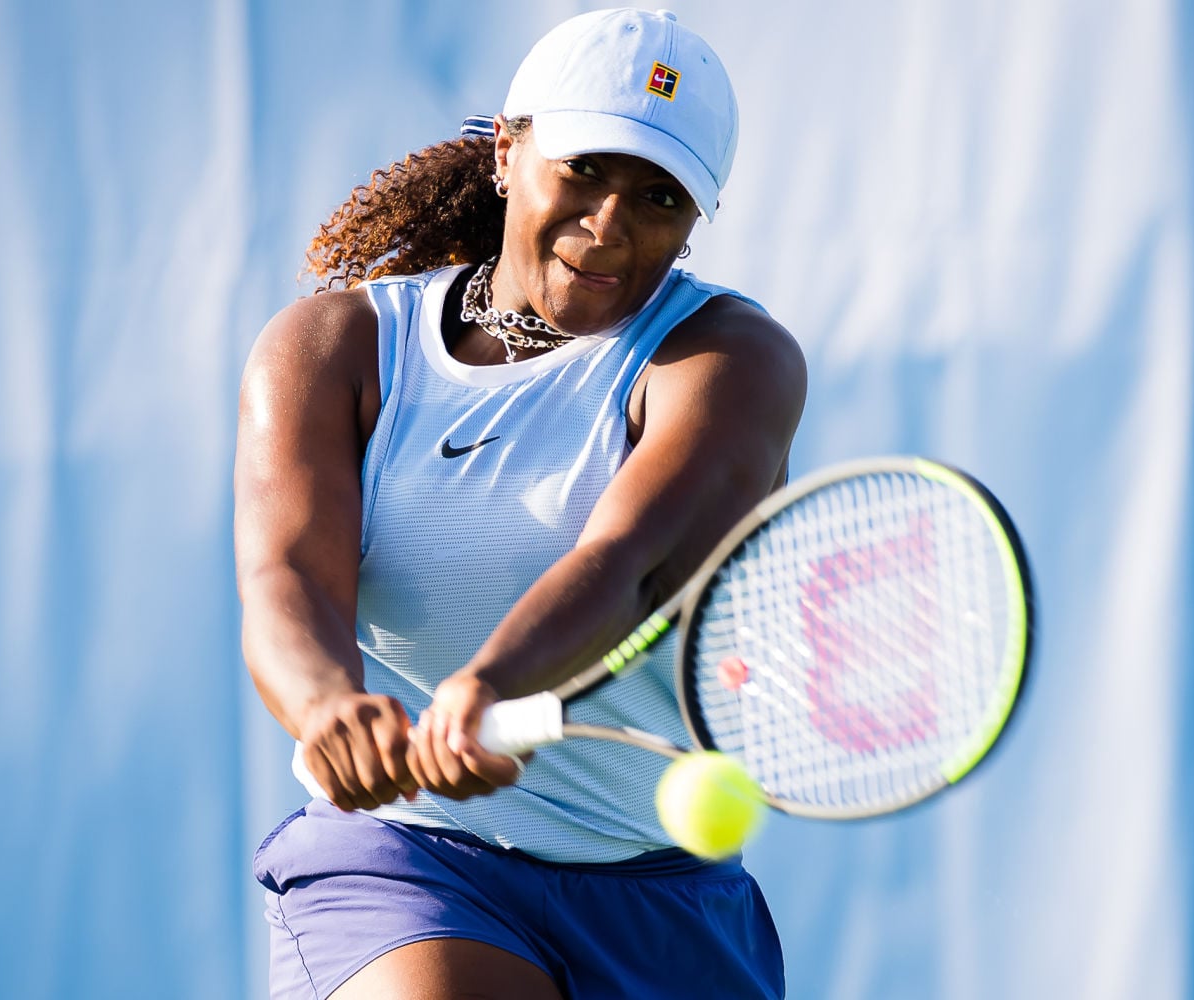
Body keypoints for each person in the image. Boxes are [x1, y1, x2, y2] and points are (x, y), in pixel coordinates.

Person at [234, 9, 805, 998]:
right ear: (507, 151)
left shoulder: (729, 360)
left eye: (659, 196)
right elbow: (284, 577)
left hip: (659, 898)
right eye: (585, 168)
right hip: (413, 860)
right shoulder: (330, 351)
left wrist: (492, 683)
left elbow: (628, 561)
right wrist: (327, 707)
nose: (611, 223)